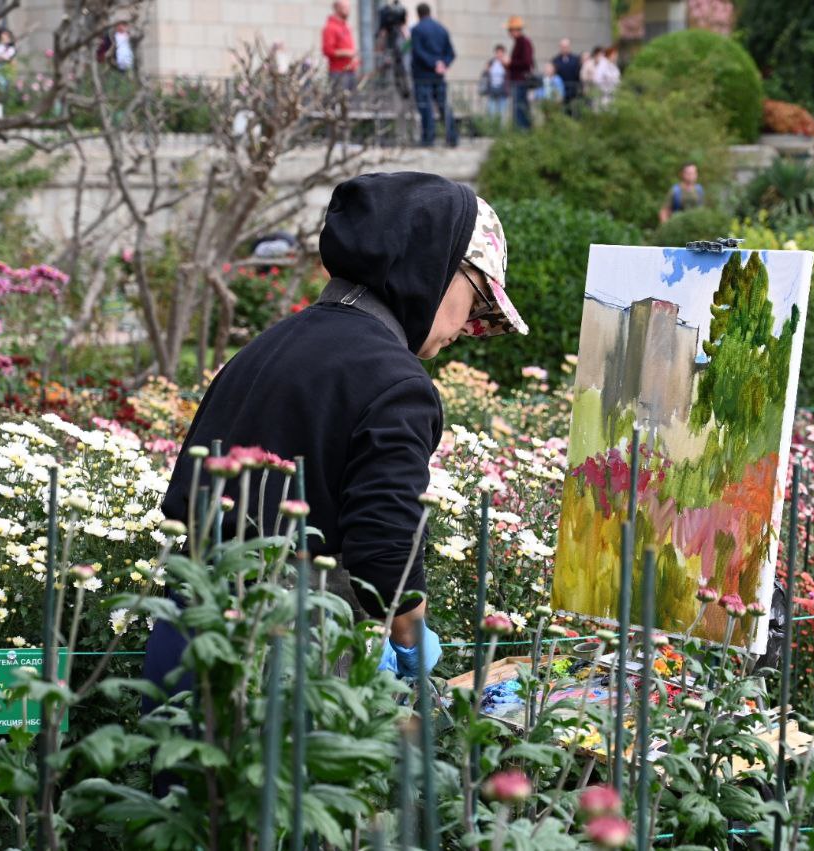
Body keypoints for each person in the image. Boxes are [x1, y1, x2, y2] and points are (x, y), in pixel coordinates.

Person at [143, 173, 528, 723]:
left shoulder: (267, 346)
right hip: (277, 658)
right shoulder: (396, 381)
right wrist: (412, 636)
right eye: (476, 299)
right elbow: (384, 554)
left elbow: (191, 497)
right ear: (433, 267)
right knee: (291, 810)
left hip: (183, 633)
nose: (469, 327)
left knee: (181, 805)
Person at [410, 3, 457, 147]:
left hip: (423, 75)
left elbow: (418, 52)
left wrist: (434, 64)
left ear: (418, 14)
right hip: (438, 75)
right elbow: (451, 53)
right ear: (430, 12)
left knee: (425, 107)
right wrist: (442, 64)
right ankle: (452, 138)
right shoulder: (442, 29)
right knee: (443, 106)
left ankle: (428, 139)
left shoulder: (417, 29)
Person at [322, 0, 358, 93]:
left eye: (348, 7)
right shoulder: (330, 27)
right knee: (339, 102)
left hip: (351, 71)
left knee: (351, 103)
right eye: (344, 8)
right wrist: (347, 53)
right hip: (338, 72)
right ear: (336, 8)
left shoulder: (346, 26)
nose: (348, 10)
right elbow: (327, 50)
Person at [506, 15, 534, 130]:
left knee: (520, 108)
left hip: (521, 81)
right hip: (517, 80)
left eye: (510, 30)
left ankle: (523, 131)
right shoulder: (519, 42)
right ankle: (522, 129)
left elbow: (526, 62)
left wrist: (510, 63)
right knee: (519, 107)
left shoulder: (524, 42)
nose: (509, 33)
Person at [481, 45, 509, 124]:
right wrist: (487, 69)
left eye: (501, 53)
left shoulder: (506, 63)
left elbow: (509, 74)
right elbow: (485, 74)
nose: (499, 54)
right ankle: (492, 129)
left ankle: (502, 130)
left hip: (503, 90)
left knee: (502, 112)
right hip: (492, 89)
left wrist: (505, 63)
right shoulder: (491, 62)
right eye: (498, 53)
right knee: (491, 111)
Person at [551, 38, 581, 107]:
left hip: (573, 89)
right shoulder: (555, 60)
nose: (564, 49)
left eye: (566, 47)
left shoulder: (576, 59)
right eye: (563, 47)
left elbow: (578, 74)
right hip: (559, 89)